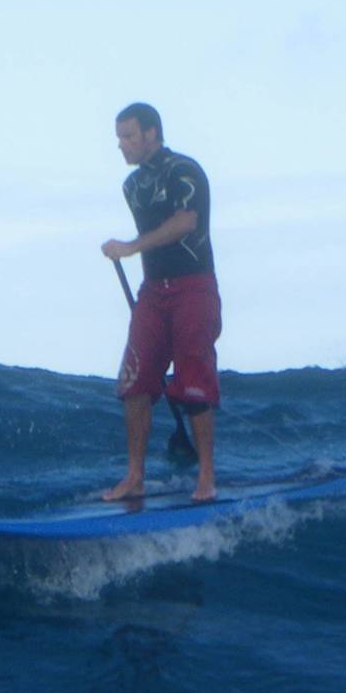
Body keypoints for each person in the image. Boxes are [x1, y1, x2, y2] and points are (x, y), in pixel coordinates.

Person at [101, 102, 222, 502]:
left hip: (194, 288)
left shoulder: (185, 172)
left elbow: (186, 222)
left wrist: (131, 247)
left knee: (193, 379)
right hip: (154, 291)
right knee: (134, 380)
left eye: (129, 136)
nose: (121, 145)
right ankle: (135, 476)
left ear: (152, 133)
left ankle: (206, 477)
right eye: (119, 137)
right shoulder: (132, 187)